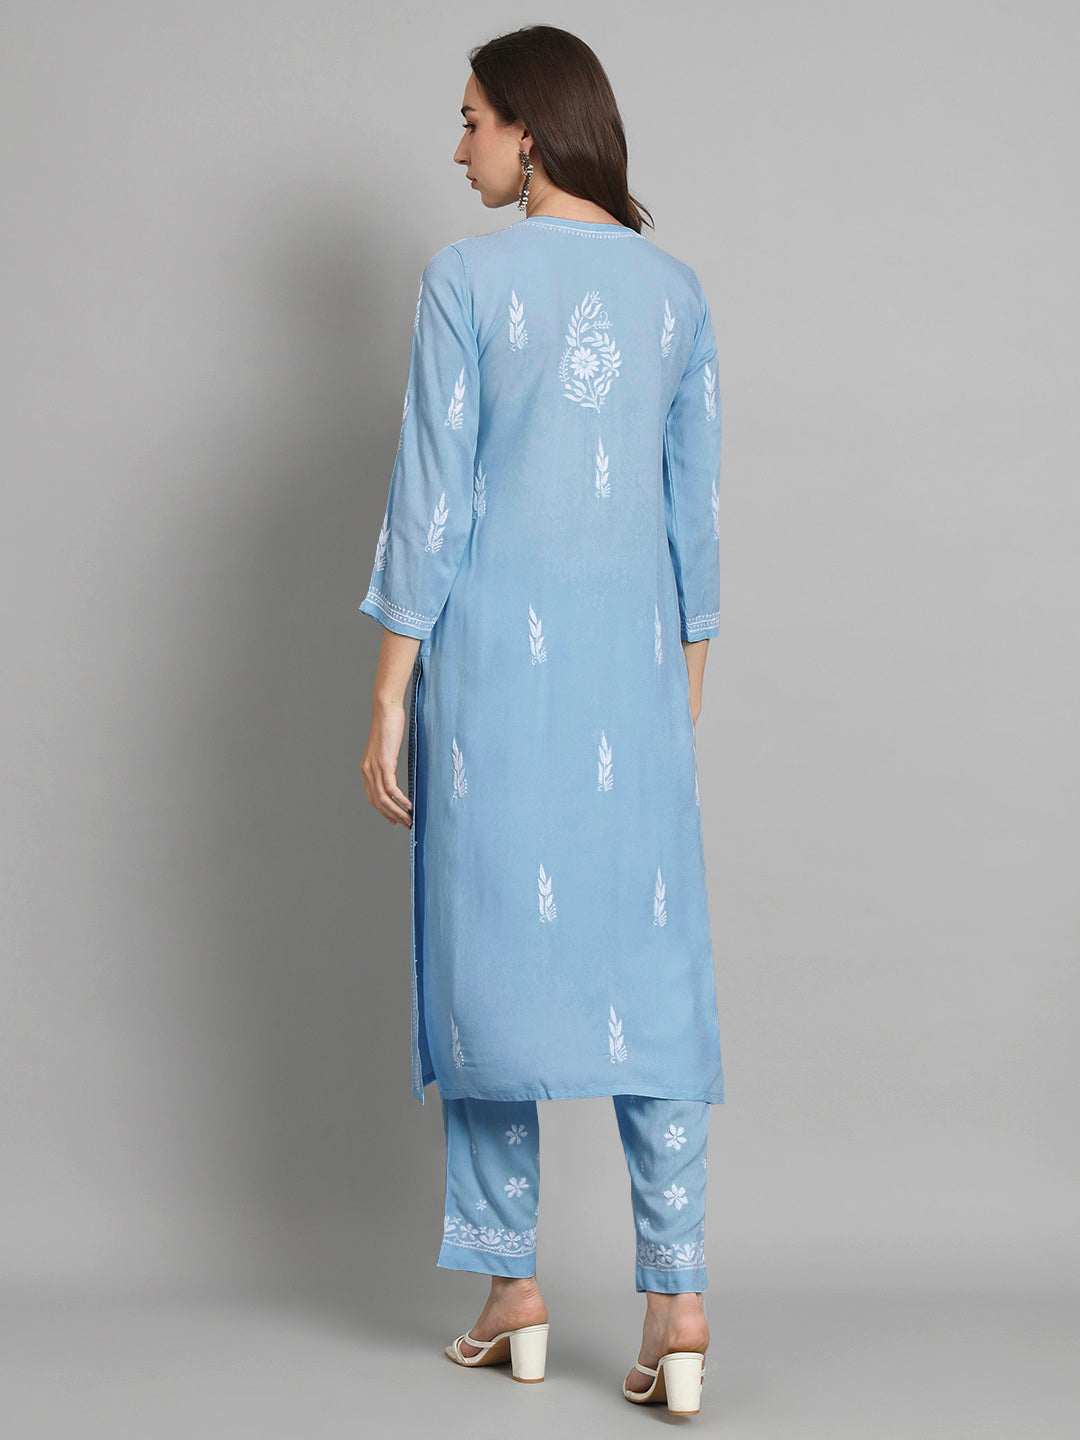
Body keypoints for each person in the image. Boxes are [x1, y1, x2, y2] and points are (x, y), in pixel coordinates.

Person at [359, 25, 724, 1416]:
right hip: (636, 690)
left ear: (530, 128)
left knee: (487, 969)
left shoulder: (465, 281)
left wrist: (389, 691)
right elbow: (694, 531)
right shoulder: (678, 295)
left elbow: (430, 504)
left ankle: (513, 1287)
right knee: (653, 976)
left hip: (492, 694)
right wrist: (679, 713)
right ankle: (676, 1302)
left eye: (472, 120)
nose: (459, 147)